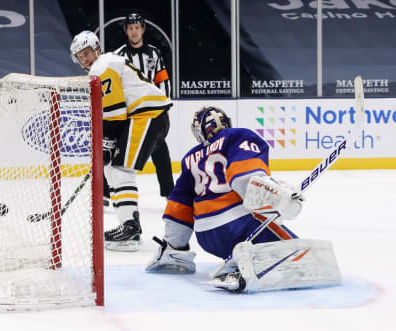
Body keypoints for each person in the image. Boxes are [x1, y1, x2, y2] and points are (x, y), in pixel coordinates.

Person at [146, 106, 341, 293]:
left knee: (264, 250)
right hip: (240, 224)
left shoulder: (190, 158)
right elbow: (244, 177)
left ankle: (239, 262)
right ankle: (244, 271)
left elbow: (179, 207)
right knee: (303, 259)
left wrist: (174, 247)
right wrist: (277, 200)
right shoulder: (237, 136)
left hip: (207, 236)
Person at [70, 30, 172, 252]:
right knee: (113, 169)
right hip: (144, 117)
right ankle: (129, 225)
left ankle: (131, 228)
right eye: (81, 56)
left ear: (97, 48)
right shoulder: (105, 66)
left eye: (87, 52)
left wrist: (107, 140)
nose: (86, 59)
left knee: (122, 169)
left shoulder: (102, 65)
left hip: (146, 115)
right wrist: (107, 143)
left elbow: (115, 112)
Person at [113, 13, 174, 198]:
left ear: (143, 30)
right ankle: (109, 193)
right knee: (116, 150)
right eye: (130, 28)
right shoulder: (118, 56)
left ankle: (169, 193)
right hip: (130, 112)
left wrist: (164, 106)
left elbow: (162, 79)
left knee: (160, 150)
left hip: (152, 110)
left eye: (137, 28)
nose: (134, 31)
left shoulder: (154, 53)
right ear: (126, 30)